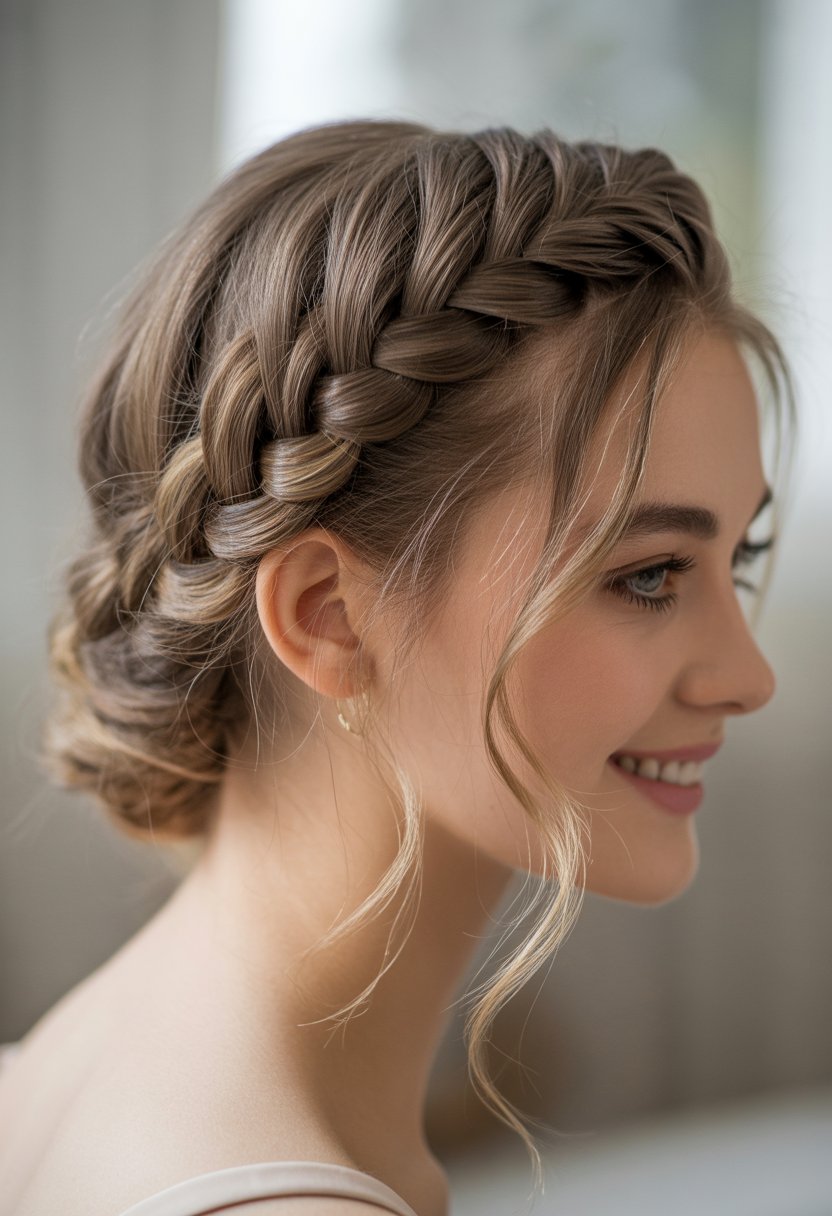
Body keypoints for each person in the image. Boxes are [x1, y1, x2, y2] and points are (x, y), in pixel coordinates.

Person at [0, 119, 794, 1216]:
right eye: (649, 574)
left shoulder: (57, 1074)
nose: (748, 677)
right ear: (328, 617)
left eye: (737, 557)